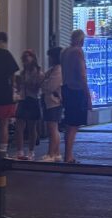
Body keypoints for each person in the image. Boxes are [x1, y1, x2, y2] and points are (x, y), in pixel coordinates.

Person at [60, 29, 91, 164]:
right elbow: (82, 75)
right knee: (74, 125)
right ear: (81, 40)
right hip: (76, 90)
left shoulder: (64, 52)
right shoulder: (78, 52)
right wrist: (88, 95)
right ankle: (68, 156)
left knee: (69, 124)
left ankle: (68, 154)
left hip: (66, 88)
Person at [14, 49, 45, 160]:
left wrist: (27, 84)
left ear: (33, 58)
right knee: (19, 126)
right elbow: (19, 88)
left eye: (28, 57)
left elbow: (38, 87)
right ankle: (20, 151)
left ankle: (31, 151)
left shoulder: (38, 73)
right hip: (23, 99)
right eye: (24, 58)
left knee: (32, 127)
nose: (25, 60)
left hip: (33, 99)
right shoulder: (22, 73)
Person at [39, 46, 63, 163]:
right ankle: (56, 152)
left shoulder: (58, 70)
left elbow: (48, 86)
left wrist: (44, 84)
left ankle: (51, 153)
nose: (49, 59)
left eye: (50, 57)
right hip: (51, 101)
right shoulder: (53, 70)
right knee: (53, 128)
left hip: (54, 102)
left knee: (52, 128)